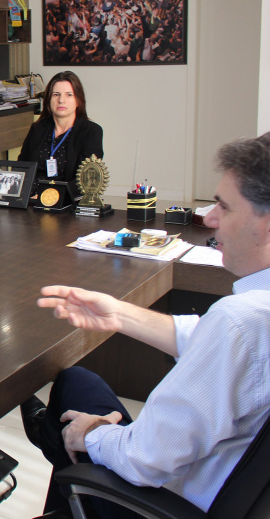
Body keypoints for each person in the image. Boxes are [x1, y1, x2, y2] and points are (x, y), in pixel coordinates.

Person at [21, 133, 270, 517]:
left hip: (163, 501)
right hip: (226, 488)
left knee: (72, 429)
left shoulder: (241, 322)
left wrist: (94, 432)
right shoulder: (249, 322)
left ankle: (63, 454)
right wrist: (119, 314)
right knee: (77, 382)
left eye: (223, 206)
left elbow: (144, 459)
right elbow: (209, 340)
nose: (209, 218)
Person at [17, 71, 103, 198]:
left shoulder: (91, 131)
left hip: (65, 200)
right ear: (48, 100)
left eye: (69, 95)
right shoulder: (38, 128)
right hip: (31, 198)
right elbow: (21, 167)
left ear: (78, 100)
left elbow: (86, 180)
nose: (61, 100)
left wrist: (48, 196)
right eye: (56, 94)